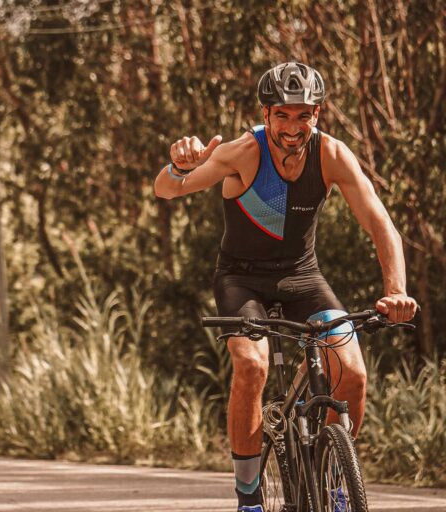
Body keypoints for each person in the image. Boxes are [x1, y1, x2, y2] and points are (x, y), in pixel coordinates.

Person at [154, 62, 417, 512]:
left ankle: (334, 482)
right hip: (241, 279)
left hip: (302, 276)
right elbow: (167, 190)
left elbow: (381, 226)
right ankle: (249, 497)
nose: (293, 127)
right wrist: (178, 166)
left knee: (351, 373)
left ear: (317, 114)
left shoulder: (331, 155)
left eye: (303, 115)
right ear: (267, 113)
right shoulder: (243, 152)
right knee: (252, 366)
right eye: (283, 115)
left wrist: (396, 291)